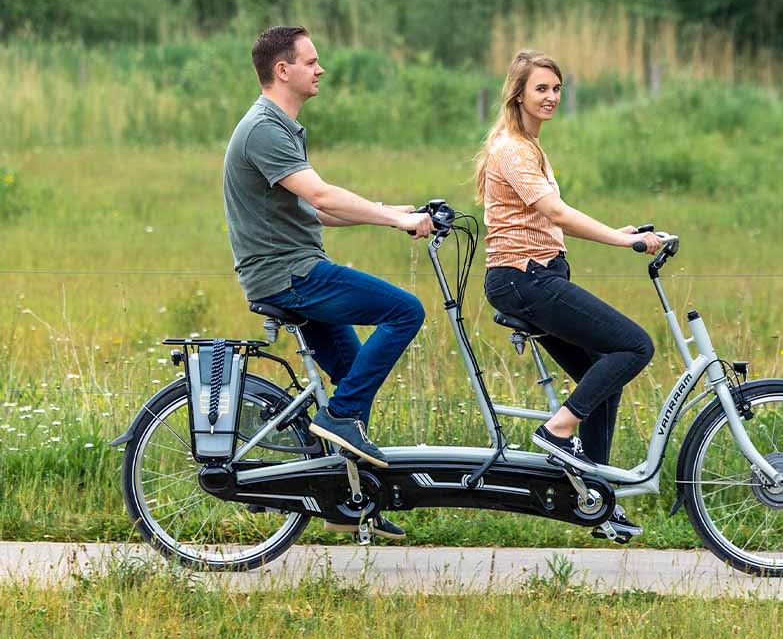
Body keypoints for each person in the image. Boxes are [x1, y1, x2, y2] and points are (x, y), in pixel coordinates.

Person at [223, 26, 432, 538]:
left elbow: (314, 212)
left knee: (352, 372)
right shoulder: (265, 128)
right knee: (405, 311)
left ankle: (343, 496)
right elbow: (323, 198)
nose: (320, 70)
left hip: (291, 268)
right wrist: (394, 221)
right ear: (282, 70)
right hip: (289, 275)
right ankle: (341, 425)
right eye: (311, 62)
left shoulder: (284, 128)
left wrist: (391, 210)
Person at [475, 50, 665, 538]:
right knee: (634, 346)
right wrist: (625, 241)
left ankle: (596, 502)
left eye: (557, 89)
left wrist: (615, 229)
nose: (551, 97)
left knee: (603, 376)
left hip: (536, 275)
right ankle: (557, 431)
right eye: (541, 88)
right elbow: (555, 213)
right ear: (518, 93)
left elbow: (544, 216)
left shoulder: (526, 146)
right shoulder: (514, 149)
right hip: (526, 278)